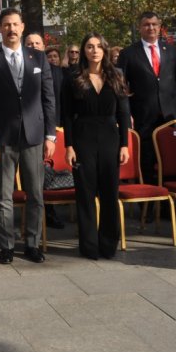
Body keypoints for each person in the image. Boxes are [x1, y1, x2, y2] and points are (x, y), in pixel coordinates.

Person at [0, 8, 56, 264]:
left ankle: (32, 244)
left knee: (36, 194)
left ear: (22, 27)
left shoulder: (39, 58)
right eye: (6, 25)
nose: (11, 29)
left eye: (15, 24)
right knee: (4, 196)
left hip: (34, 136)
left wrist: (50, 135)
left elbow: (48, 99)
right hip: (2, 139)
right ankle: (7, 245)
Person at [61, 34, 131, 260]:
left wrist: (124, 144)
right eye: (90, 47)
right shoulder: (73, 77)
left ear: (105, 49)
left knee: (110, 193)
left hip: (111, 139)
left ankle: (108, 244)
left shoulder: (116, 75)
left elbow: (124, 112)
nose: (94, 51)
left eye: (99, 46)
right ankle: (89, 246)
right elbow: (67, 116)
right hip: (83, 139)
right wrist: (69, 146)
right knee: (86, 194)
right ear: (83, 51)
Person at [117, 11, 176, 184]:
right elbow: (121, 88)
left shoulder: (171, 51)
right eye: (146, 24)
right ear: (140, 27)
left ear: (159, 27)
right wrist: (126, 114)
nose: (150, 28)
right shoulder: (128, 54)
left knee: (171, 161)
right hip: (143, 117)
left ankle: (169, 206)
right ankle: (148, 208)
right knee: (146, 161)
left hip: (170, 116)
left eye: (154, 24)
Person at [28, 32, 65, 230]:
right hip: (29, 131)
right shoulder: (20, 68)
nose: (33, 46)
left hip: (53, 129)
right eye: (30, 43)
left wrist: (55, 129)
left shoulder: (58, 72)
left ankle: (50, 213)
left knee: (50, 174)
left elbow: (57, 101)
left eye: (37, 43)